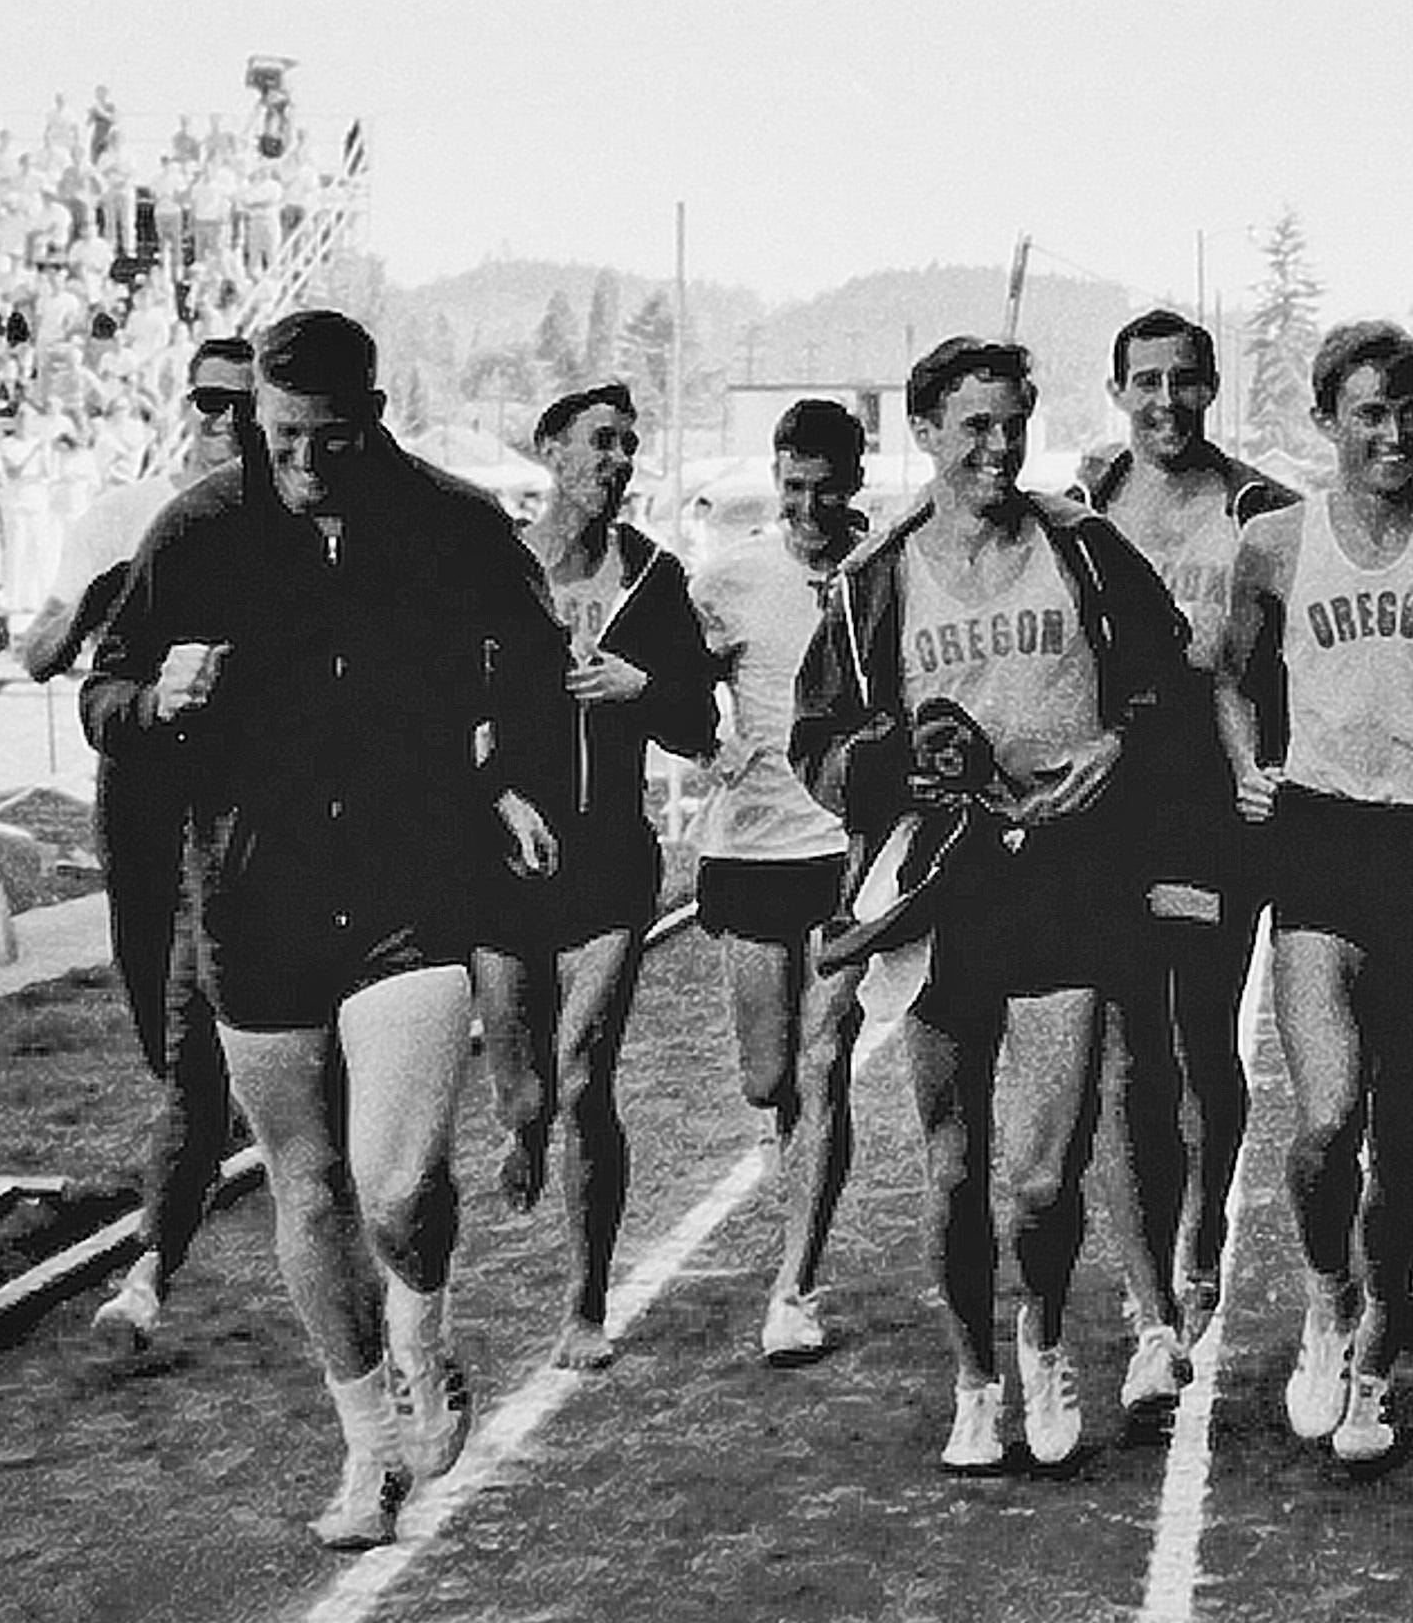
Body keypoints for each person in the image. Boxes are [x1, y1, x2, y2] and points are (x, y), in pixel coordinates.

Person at [83, 310, 568, 1551]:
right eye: (283, 437)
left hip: (410, 886)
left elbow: (535, 666)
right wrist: (152, 696)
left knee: (397, 1186)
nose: (304, 464)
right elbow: (103, 689)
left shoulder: (454, 522)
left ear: (377, 412)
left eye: (331, 439)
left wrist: (509, 774)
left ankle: (423, 1326)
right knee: (304, 1182)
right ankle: (365, 1450)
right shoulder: (200, 527)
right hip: (257, 899)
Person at [797, 336, 1216, 1477]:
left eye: (1012, 422)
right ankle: (974, 1379)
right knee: (951, 1160)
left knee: (1042, 1174)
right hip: (940, 884)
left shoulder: (1080, 547)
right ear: (925, 433)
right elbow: (817, 746)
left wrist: (1121, 745)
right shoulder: (873, 581)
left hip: (1068, 875)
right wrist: (899, 760)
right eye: (973, 426)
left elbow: (1168, 681)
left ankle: (1043, 1345)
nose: (996, 447)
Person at [1209, 320, 1413, 1470]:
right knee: (1327, 1121)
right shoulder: (1278, 545)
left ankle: (1382, 1352)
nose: (1393, 436)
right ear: (1328, 422)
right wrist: (1249, 767)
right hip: (1327, 842)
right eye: (1370, 414)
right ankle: (1329, 1300)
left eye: (1410, 412)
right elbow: (1232, 678)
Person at [10, 332, 255, 1353]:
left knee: (198, 1038)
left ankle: (158, 1250)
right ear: (182, 404)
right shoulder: (118, 514)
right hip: (142, 789)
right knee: (160, 1022)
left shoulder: (286, 524)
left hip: (242, 802)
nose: (224, 423)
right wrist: (110, 601)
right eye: (209, 401)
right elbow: (39, 655)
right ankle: (213, 1126)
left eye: (245, 406)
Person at [1077, 309, 1299, 1410]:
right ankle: (1146, 1307)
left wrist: (1276, 767)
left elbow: (1289, 661)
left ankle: (1201, 1230)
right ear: (1118, 388)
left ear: (1212, 387)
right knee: (1125, 1060)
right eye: (1145, 381)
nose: (1166, 400)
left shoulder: (1262, 509)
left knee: (1200, 1040)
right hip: (1107, 810)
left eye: (1185, 380)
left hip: (1216, 809)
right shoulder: (1085, 507)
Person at [476, 382, 724, 1369]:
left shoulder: (654, 579)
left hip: (613, 859)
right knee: (525, 1094)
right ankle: (522, 1131)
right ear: (549, 451)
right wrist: (496, 796)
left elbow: (699, 729)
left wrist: (644, 688)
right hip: (505, 859)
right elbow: (444, 715)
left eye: (629, 446)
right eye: (598, 442)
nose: (616, 461)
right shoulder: (494, 573)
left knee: (585, 1080)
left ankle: (585, 1303)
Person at [694, 399, 876, 1359]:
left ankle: (795, 1284)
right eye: (792, 488)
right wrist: (703, 744)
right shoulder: (729, 578)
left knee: (823, 1064)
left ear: (854, 481)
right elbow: (676, 680)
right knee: (769, 1078)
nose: (808, 508)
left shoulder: (882, 570)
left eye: (825, 489)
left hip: (844, 851)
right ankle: (792, 1143)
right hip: (750, 847)